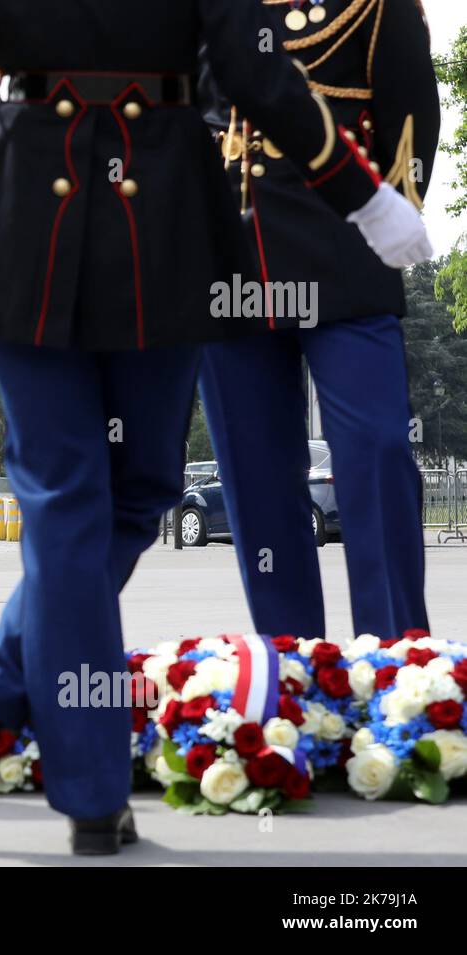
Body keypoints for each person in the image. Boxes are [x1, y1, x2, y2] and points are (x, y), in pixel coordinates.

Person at [0, 0, 432, 853]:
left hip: (52, 221)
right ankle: (91, 795)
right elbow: (251, 70)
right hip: (142, 220)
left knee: (132, 495)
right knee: (75, 501)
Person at [196, 0, 439, 642]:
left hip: (345, 259)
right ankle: (295, 669)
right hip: (230, 268)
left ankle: (398, 665)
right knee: (255, 478)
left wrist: (389, 229)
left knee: (379, 455)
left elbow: (411, 124)